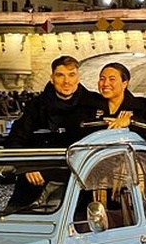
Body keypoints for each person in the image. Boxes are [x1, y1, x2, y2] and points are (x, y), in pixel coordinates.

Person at [6, 55, 105, 186]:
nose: (66, 81)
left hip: (83, 175)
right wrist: (27, 165)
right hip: (39, 176)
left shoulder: (95, 103)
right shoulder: (36, 106)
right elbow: (16, 139)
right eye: (60, 75)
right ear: (52, 79)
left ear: (78, 78)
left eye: (71, 75)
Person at [96, 62, 146, 146]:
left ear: (124, 83)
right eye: (102, 79)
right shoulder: (90, 104)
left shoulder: (142, 106)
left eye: (112, 79)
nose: (105, 84)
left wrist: (131, 122)